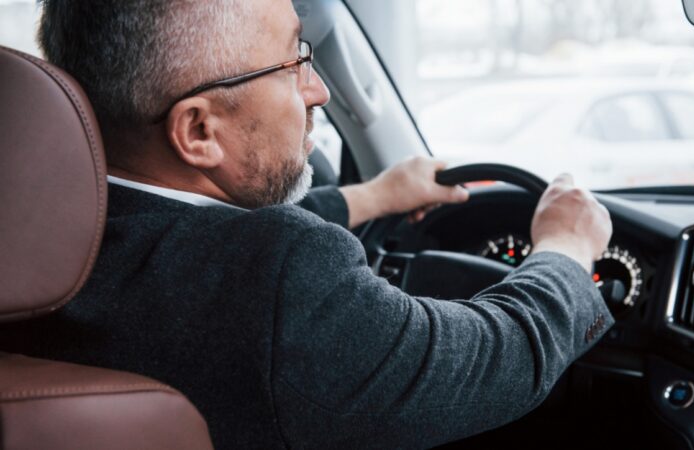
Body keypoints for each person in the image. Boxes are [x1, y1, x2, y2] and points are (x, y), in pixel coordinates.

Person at [3, 0, 614, 448]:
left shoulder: (48, 242)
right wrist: (565, 249)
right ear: (198, 131)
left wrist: (375, 195)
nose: (317, 89)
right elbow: (485, 359)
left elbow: (203, 239)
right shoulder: (279, 281)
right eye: (292, 62)